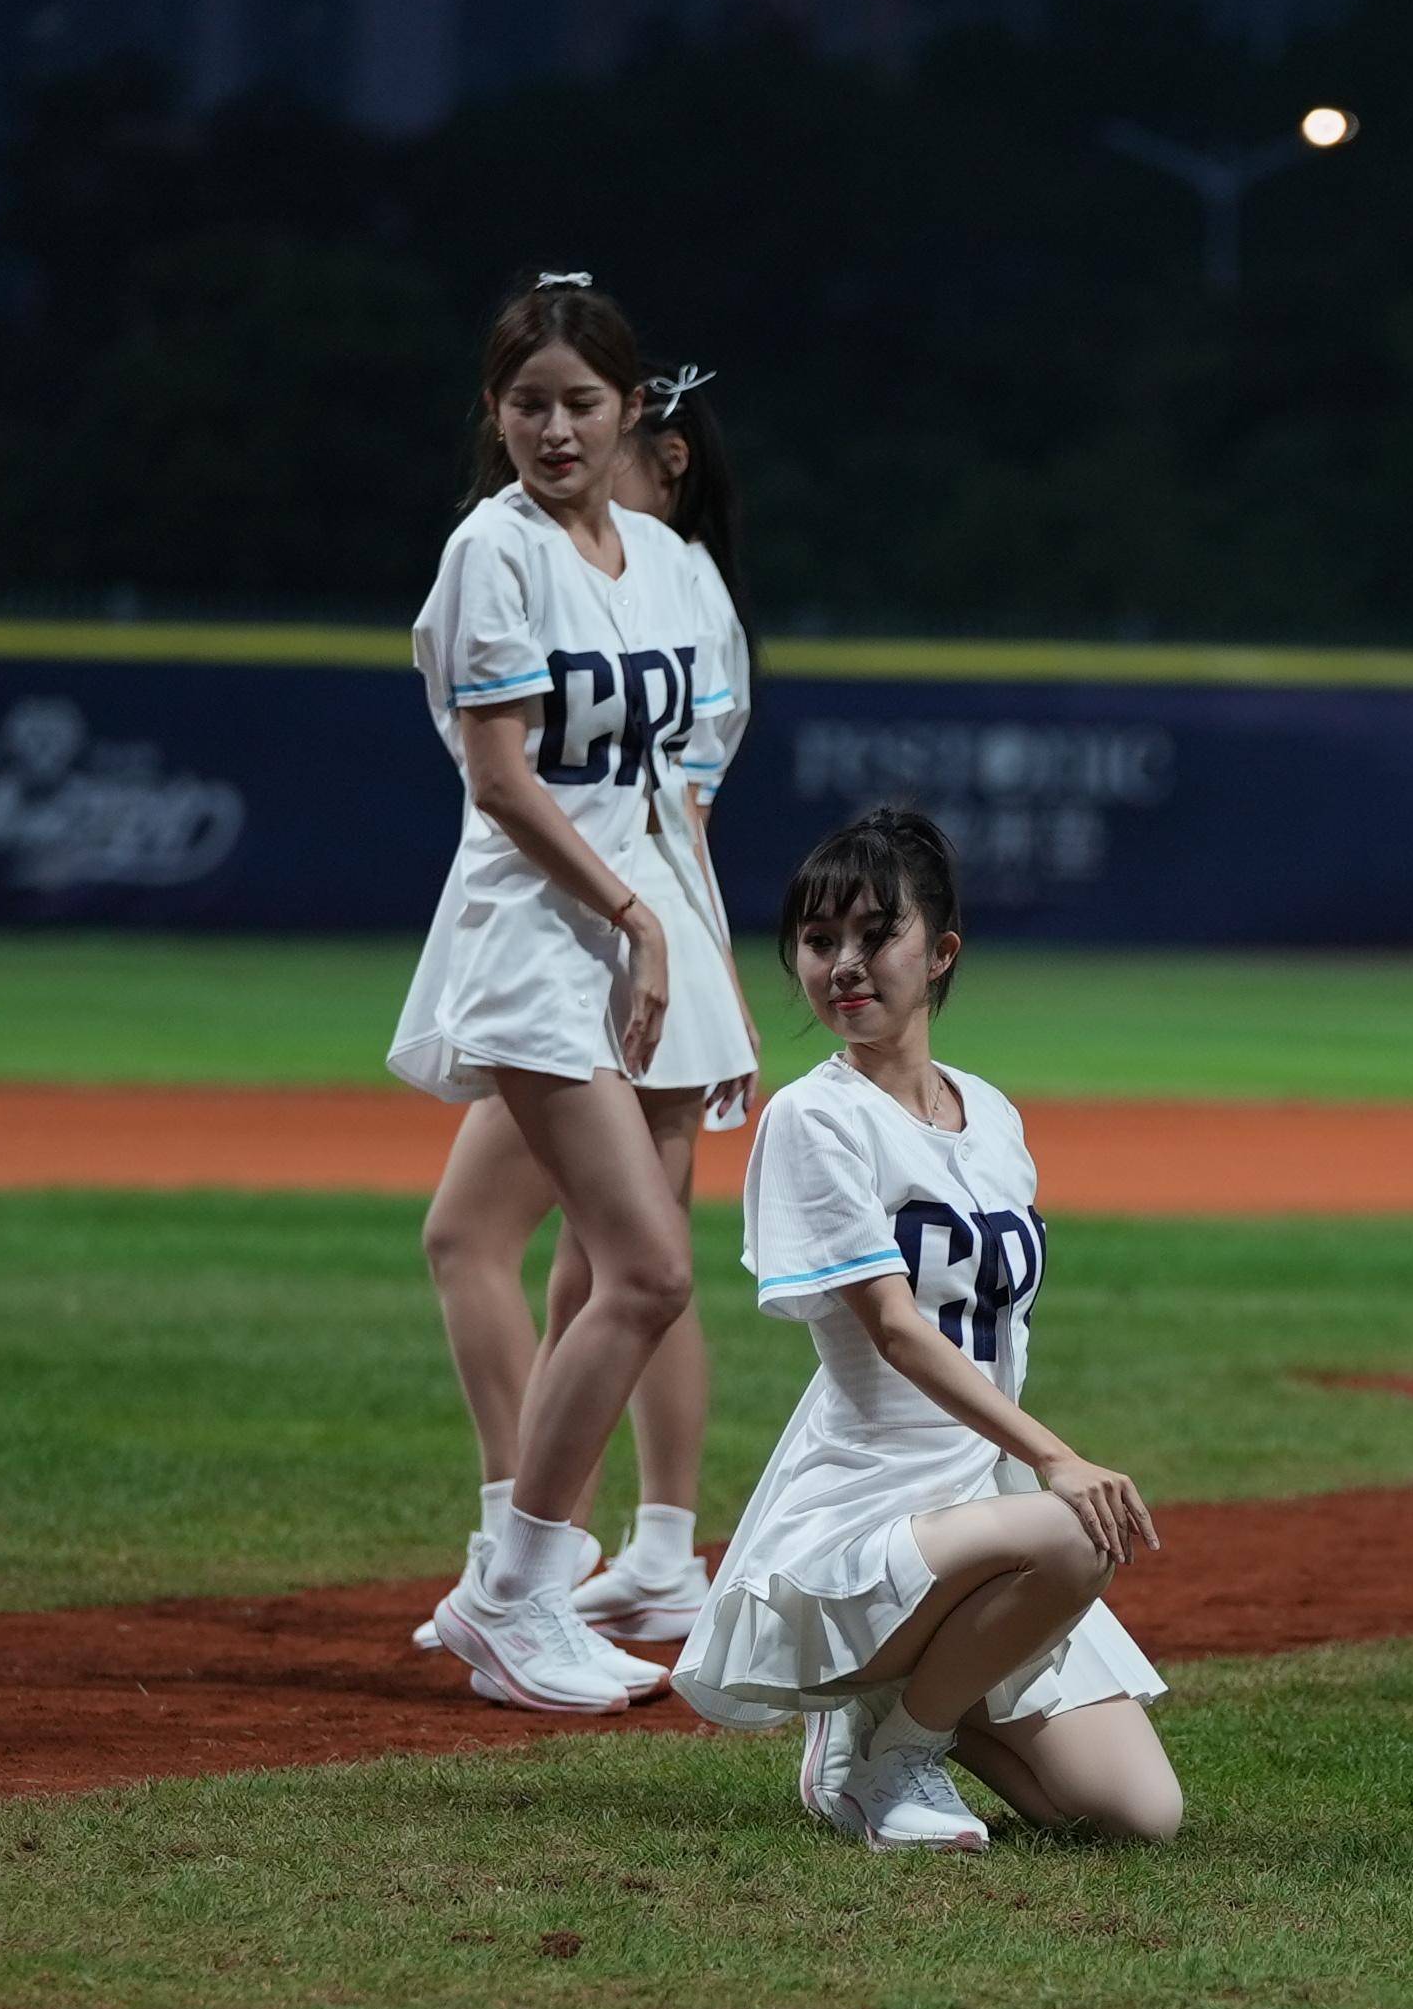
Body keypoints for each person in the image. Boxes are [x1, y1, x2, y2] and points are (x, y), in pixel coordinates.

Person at [673, 808, 1181, 1852]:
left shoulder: (991, 1115)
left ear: (940, 953)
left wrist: (1029, 1469)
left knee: (1137, 1817)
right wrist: (1057, 1458)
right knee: (1070, 1530)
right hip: (868, 1503)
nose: (844, 965)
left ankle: (908, 1711)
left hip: (980, 1510)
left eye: (876, 935)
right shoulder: (815, 1116)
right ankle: (888, 1750)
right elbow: (896, 1332)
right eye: (819, 940)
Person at [397, 275, 726, 1713]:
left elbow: (668, 788)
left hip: (640, 939)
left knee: (613, 1272)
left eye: (581, 402)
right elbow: (501, 778)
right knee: (648, 1270)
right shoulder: (494, 549)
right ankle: (515, 1592)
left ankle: (538, 1580)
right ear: (495, 412)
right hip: (537, 938)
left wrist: (687, 952)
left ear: (630, 407)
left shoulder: (654, 558)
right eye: (526, 403)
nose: (554, 429)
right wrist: (634, 918)